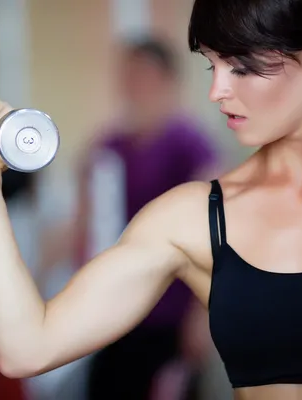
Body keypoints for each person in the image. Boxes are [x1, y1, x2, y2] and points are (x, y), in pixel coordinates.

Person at [0, 0, 302, 399]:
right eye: (213, 66)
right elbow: (26, 349)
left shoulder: (188, 146)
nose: (216, 91)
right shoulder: (190, 218)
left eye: (240, 67)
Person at [76, 38, 219, 400]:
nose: (134, 86)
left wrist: (201, 319)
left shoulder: (190, 144)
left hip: (172, 315)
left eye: (144, 76)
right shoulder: (108, 147)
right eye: (128, 76)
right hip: (116, 312)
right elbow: (86, 229)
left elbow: (215, 234)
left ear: (167, 81)